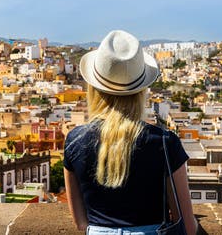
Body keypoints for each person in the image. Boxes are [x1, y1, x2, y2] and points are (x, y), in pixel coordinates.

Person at [63, 30, 197, 234]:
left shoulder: (75, 140)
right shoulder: (164, 142)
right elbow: (187, 226)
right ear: (141, 91)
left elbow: (80, 222)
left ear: (94, 88)